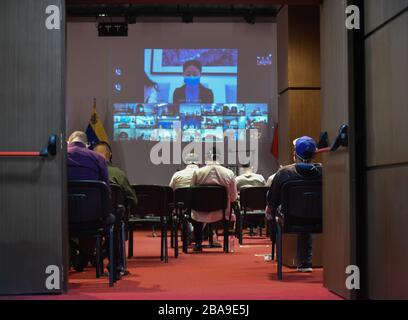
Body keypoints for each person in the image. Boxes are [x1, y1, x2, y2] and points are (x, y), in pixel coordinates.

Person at [265, 136, 322, 272]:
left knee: (277, 210)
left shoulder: (284, 173)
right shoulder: (324, 172)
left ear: (295, 154)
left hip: (290, 221)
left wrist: (269, 210)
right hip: (320, 219)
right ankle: (305, 262)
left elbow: (272, 200)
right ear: (315, 154)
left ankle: (276, 253)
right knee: (308, 209)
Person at [67, 131, 111, 271]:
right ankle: (115, 266)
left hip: (64, 216)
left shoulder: (60, 157)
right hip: (93, 217)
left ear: (69, 142)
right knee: (113, 221)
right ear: (87, 145)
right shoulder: (99, 158)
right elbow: (106, 191)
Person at [190, 149, 238, 251]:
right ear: (220, 158)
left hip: (200, 211)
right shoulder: (229, 173)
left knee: (196, 212)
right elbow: (234, 197)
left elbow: (192, 192)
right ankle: (226, 244)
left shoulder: (198, 172)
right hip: (221, 212)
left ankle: (198, 243)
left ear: (207, 158)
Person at [93, 141, 138, 210]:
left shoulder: (89, 173)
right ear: (110, 154)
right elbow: (133, 200)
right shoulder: (119, 174)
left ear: (93, 155)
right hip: (114, 216)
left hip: (91, 215)